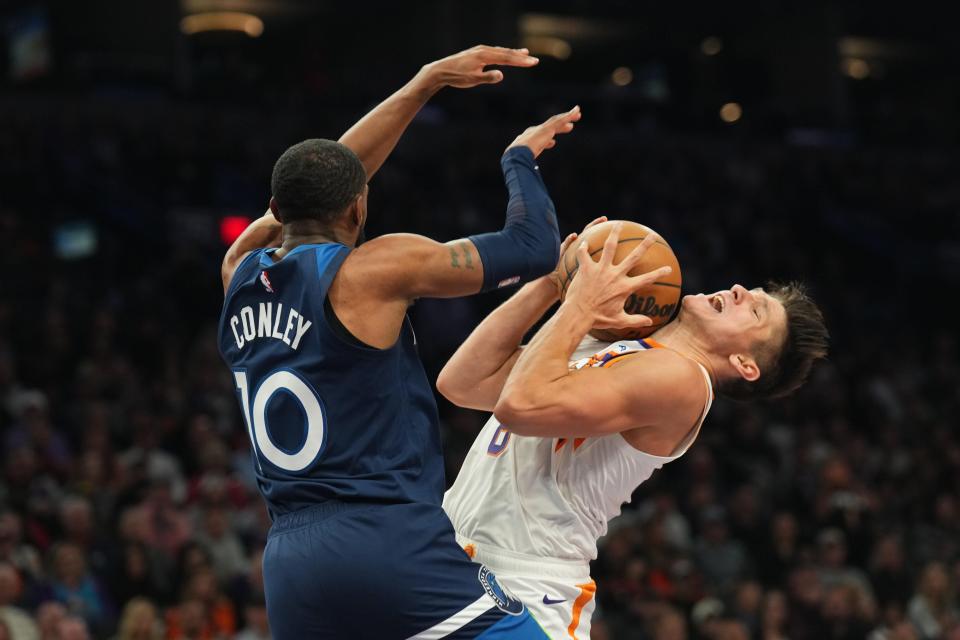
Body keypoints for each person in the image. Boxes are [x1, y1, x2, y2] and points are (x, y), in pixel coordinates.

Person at [219, 45, 579, 638]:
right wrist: (520, 160)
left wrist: (425, 82)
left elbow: (335, 178)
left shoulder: (238, 268)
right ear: (360, 207)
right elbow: (533, 246)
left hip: (290, 563)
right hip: (386, 543)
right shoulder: (373, 270)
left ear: (277, 208)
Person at [440, 219, 829, 638]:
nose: (738, 290)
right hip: (451, 547)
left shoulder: (684, 382)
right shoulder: (622, 341)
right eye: (750, 291)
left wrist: (578, 304)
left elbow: (518, 406)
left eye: (754, 309)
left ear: (744, 365)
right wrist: (554, 283)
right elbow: (463, 383)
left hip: (524, 586)